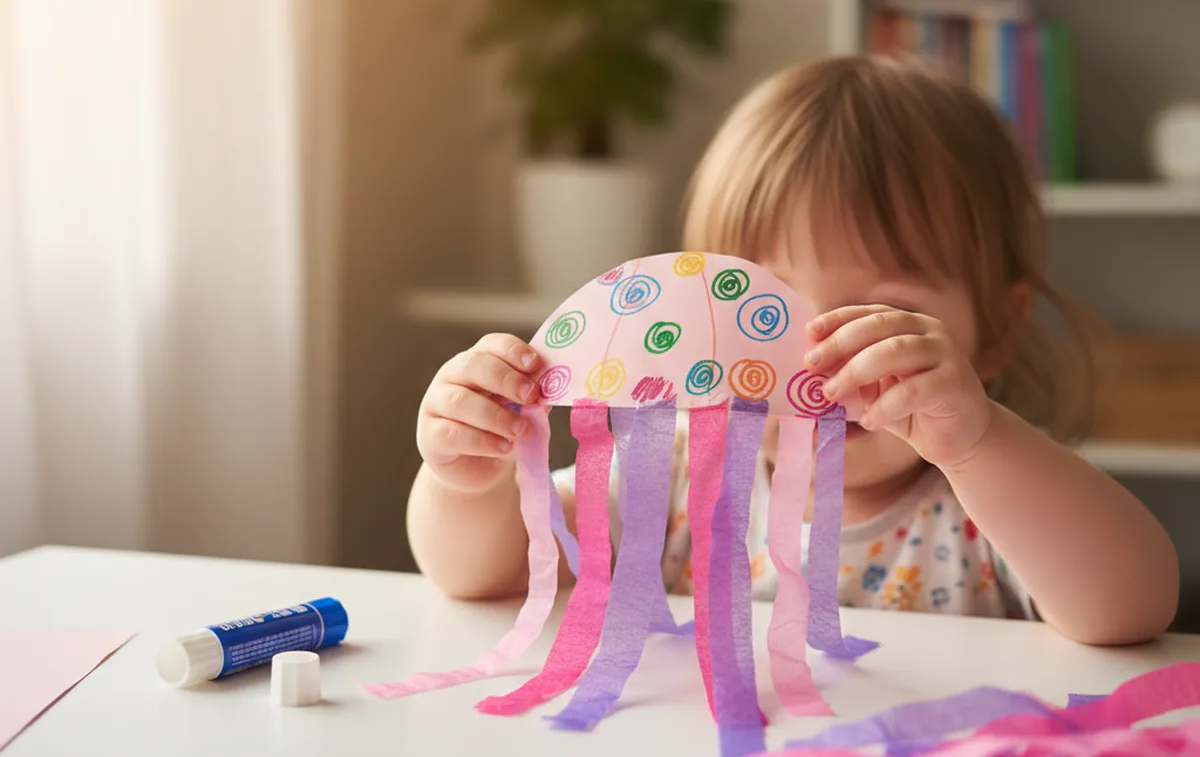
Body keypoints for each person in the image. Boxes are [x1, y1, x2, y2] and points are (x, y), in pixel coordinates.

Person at [407, 56, 1179, 645]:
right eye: (762, 311)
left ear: (995, 332)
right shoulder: (671, 476)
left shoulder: (992, 495)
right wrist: (469, 482)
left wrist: (977, 445)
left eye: (884, 312)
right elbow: (486, 575)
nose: (818, 356)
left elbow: (1132, 607)